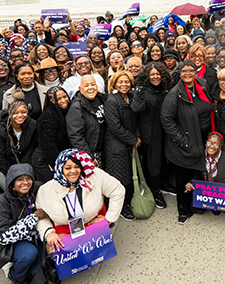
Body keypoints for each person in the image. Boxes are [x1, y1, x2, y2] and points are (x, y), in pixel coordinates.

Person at [36, 149, 125, 254]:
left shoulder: (94, 176)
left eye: (77, 167)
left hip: (91, 221)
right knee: (53, 249)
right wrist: (49, 233)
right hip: (64, 228)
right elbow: (41, 215)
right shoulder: (45, 190)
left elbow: (118, 190)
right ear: (60, 169)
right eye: (68, 168)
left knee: (94, 253)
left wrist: (109, 219)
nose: (73, 171)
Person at [161, 60, 213, 224]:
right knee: (184, 177)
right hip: (184, 142)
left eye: (191, 70)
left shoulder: (203, 85)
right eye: (184, 71)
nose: (188, 73)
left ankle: (198, 204)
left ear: (196, 71)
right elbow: (166, 119)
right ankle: (183, 209)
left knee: (198, 174)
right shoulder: (175, 93)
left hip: (204, 136)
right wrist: (182, 140)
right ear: (179, 73)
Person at [0, 163, 47, 284]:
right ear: (11, 182)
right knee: (29, 253)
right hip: (10, 242)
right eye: (20, 179)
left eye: (28, 178)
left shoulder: (34, 193)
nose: (25, 182)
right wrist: (33, 218)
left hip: (32, 236)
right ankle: (16, 277)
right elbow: (2, 236)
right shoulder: (1, 202)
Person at [132, 62, 171, 209]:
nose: (155, 77)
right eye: (152, 74)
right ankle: (155, 190)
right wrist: (140, 87)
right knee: (153, 162)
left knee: (164, 159)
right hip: (148, 133)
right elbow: (137, 107)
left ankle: (164, 185)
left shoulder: (165, 89)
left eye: (158, 74)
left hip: (163, 131)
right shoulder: (143, 90)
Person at [104, 71, 139, 221]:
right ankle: (121, 208)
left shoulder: (131, 98)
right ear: (114, 84)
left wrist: (137, 137)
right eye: (120, 82)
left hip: (129, 143)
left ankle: (129, 203)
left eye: (127, 82)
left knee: (130, 177)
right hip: (115, 146)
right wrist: (133, 139)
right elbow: (115, 127)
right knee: (119, 179)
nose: (124, 84)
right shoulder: (112, 101)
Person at [184, 132, 225, 215]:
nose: (211, 146)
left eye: (216, 144)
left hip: (221, 188)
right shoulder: (201, 155)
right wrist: (190, 183)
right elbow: (197, 175)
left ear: (220, 146)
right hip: (206, 189)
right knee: (197, 209)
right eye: (209, 142)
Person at [0, 101, 39, 190]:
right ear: (10, 113)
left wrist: (22, 169)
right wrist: (16, 173)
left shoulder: (32, 125)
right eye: (15, 113)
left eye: (23, 112)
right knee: (13, 190)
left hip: (21, 163)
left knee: (27, 188)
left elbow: (30, 149)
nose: (20, 115)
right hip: (0, 167)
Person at [67, 75, 108, 166]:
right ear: (80, 89)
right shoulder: (77, 107)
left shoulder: (103, 100)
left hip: (105, 151)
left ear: (97, 87)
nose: (90, 87)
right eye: (86, 85)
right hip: (90, 153)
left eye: (93, 84)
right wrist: (88, 156)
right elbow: (76, 136)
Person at [33, 86, 71, 182]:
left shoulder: (66, 111)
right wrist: (56, 164)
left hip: (59, 156)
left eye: (65, 96)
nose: (63, 100)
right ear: (52, 101)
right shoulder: (47, 117)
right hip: (45, 159)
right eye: (58, 99)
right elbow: (47, 144)